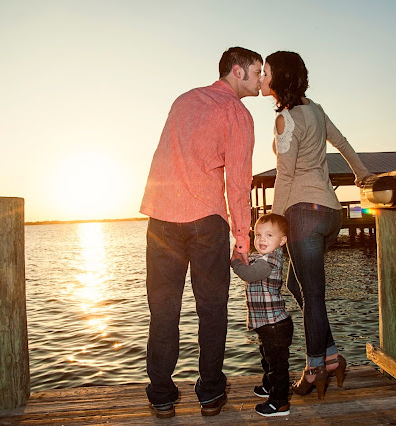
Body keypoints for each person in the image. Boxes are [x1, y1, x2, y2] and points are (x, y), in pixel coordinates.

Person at [139, 47, 263, 418]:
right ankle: (210, 393)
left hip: (161, 220)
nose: (261, 80)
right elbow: (238, 182)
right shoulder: (237, 113)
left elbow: (166, 154)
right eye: (257, 72)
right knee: (212, 310)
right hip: (206, 222)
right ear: (238, 71)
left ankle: (161, 393)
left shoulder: (184, 100)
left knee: (163, 311)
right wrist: (243, 239)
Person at [260, 51, 373, 399]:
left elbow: (285, 174)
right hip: (330, 214)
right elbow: (342, 143)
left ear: (278, 79)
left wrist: (271, 226)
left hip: (303, 215)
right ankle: (332, 356)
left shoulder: (287, 119)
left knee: (312, 294)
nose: (261, 77)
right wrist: (362, 173)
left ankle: (313, 369)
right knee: (300, 285)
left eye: (265, 72)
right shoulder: (317, 110)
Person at [231, 213, 293, 417]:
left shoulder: (271, 260)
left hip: (275, 323)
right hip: (267, 323)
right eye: (258, 235)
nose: (261, 240)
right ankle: (269, 387)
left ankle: (279, 402)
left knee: (277, 364)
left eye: (268, 235)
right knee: (267, 360)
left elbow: (248, 274)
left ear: (282, 241)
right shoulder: (261, 258)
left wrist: (236, 262)